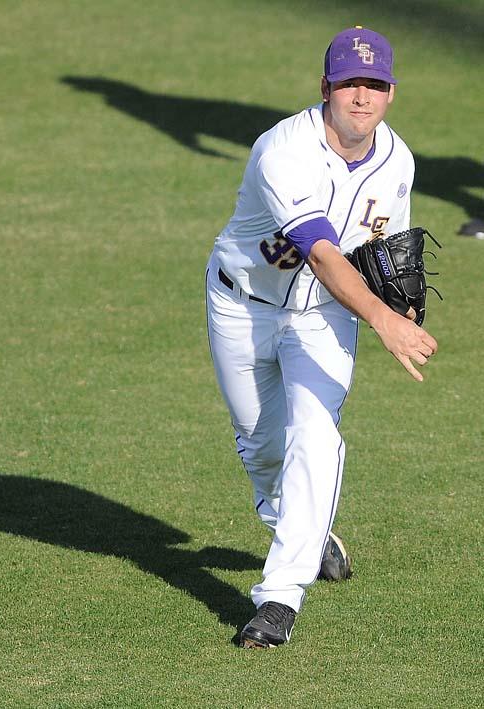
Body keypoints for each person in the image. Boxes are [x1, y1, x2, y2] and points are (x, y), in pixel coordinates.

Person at [205, 26, 438, 648]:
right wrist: (382, 320)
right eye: (348, 83)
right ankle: (302, 528)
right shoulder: (283, 149)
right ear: (326, 89)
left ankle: (280, 596)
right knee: (261, 446)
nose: (361, 96)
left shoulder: (399, 161)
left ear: (391, 93)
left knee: (315, 432)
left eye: (375, 85)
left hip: (324, 317)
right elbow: (324, 254)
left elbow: (378, 251)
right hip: (242, 304)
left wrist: (399, 305)